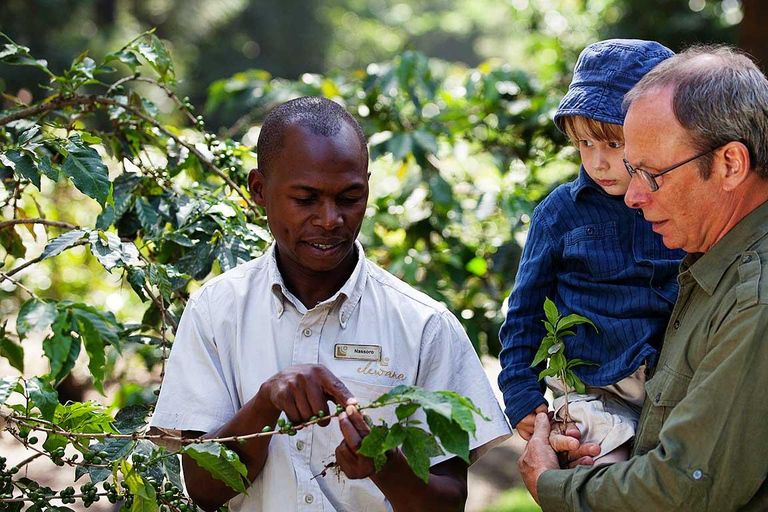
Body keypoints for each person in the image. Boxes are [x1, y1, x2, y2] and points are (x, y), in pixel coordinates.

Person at [150, 96, 511, 512]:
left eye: (349, 197)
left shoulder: (425, 325)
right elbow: (204, 490)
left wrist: (384, 463)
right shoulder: (215, 312)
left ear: (368, 188)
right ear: (259, 190)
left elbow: (448, 503)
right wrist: (264, 404)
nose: (329, 219)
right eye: (305, 199)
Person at [520, 45, 768, 510]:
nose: (631, 196)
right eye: (629, 168)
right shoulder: (711, 257)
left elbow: (685, 487)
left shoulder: (755, 298)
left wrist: (549, 485)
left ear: (730, 164)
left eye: (650, 173)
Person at [498, 39, 684, 463]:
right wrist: (522, 394)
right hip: (592, 390)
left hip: (670, 387)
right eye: (584, 144)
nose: (596, 162)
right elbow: (525, 311)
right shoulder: (561, 213)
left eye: (614, 145)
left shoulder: (680, 205)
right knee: (600, 475)